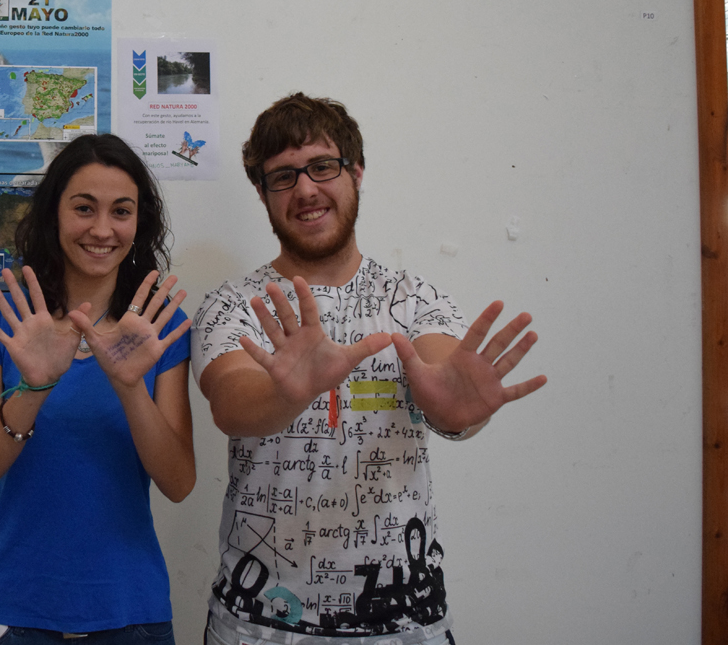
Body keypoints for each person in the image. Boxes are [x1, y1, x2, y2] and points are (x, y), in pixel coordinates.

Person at [192, 93, 546, 645]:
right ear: (260, 192)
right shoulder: (236, 304)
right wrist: (288, 393)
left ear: (356, 173)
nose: (306, 189)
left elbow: (447, 381)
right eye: (282, 176)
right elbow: (232, 403)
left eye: (323, 167)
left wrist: (457, 415)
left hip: (405, 625)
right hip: (257, 626)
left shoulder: (415, 301)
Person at [0, 133, 195, 644]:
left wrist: (130, 386)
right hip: (17, 610)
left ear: (140, 221)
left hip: (131, 611)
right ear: (54, 214)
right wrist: (37, 387)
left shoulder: (158, 328)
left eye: (121, 211)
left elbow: (178, 483)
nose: (103, 229)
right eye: (84, 208)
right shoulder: (3, 320)